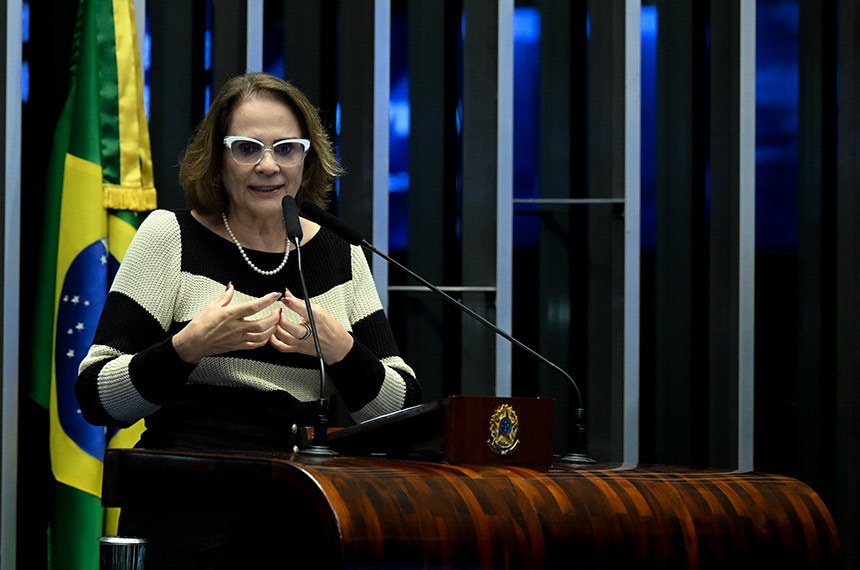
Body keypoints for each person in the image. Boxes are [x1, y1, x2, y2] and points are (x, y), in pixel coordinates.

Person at [76, 72, 422, 568]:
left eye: (286, 148)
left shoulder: (339, 252)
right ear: (218, 158)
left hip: (304, 508)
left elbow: (401, 413)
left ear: (308, 157)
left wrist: (341, 350)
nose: (268, 165)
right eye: (246, 148)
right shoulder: (169, 236)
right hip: (183, 505)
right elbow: (95, 398)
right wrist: (187, 348)